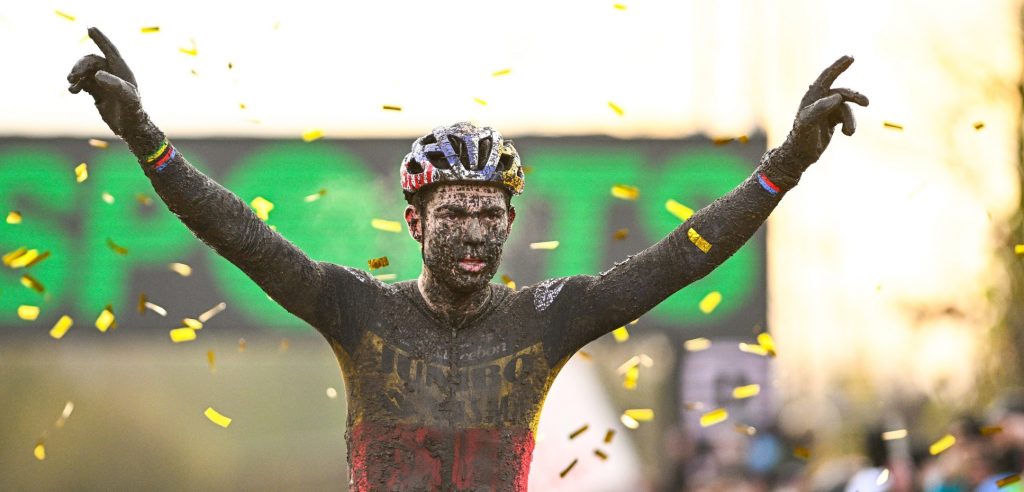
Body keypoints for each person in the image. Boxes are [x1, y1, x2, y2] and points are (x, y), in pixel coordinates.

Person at [67, 27, 868, 491]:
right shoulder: (358, 307)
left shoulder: (546, 318)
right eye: (457, 213)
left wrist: (784, 165)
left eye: (493, 214)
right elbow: (239, 233)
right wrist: (144, 137)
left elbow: (678, 259)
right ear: (414, 222)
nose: (478, 232)